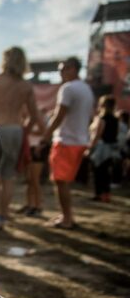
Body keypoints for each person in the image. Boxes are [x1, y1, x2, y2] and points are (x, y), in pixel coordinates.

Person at [0, 46, 45, 231]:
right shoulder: (26, 85)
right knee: (8, 176)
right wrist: (25, 131)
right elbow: (34, 115)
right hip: (16, 130)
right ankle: (4, 213)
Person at [41, 57, 94, 229]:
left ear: (73, 69)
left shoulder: (68, 88)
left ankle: (67, 219)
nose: (60, 73)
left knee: (60, 181)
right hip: (80, 140)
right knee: (64, 181)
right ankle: (66, 215)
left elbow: (59, 115)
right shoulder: (86, 89)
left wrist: (46, 136)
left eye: (63, 69)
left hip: (66, 141)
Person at [86, 95, 119, 203]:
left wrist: (90, 148)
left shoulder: (101, 119)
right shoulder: (115, 119)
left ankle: (98, 194)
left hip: (101, 149)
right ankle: (106, 194)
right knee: (106, 172)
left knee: (98, 172)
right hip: (111, 149)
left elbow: (97, 135)